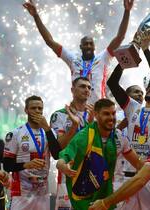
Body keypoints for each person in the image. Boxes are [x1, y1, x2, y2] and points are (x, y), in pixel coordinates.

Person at [23, 0, 134, 104]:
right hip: (78, 111)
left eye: (91, 44)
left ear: (95, 47)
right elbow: (50, 42)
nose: (88, 46)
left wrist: (127, 12)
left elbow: (120, 37)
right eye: (85, 44)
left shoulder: (103, 57)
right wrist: (36, 16)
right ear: (80, 46)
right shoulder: (73, 59)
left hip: (98, 111)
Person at [107, 39, 150, 209]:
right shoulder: (133, 108)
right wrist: (126, 58)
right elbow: (112, 83)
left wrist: (147, 50)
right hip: (128, 176)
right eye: (149, 88)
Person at [56, 99, 142, 210]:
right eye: (106, 114)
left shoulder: (119, 136)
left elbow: (138, 164)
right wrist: (64, 167)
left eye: (113, 113)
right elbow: (61, 161)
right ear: (96, 114)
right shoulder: (84, 136)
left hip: (110, 198)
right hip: (85, 200)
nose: (111, 117)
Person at [3, 95, 60, 210]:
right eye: (33, 108)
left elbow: (57, 155)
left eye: (40, 108)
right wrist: (26, 165)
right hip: (22, 194)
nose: (37, 111)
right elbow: (7, 165)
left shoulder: (49, 132)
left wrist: (47, 129)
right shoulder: (16, 133)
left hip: (42, 193)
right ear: (26, 110)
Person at [50, 77, 94, 209]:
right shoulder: (59, 115)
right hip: (67, 175)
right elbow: (60, 149)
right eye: (82, 86)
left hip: (90, 176)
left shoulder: (94, 116)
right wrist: (74, 126)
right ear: (72, 90)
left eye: (89, 87)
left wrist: (92, 125)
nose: (86, 89)